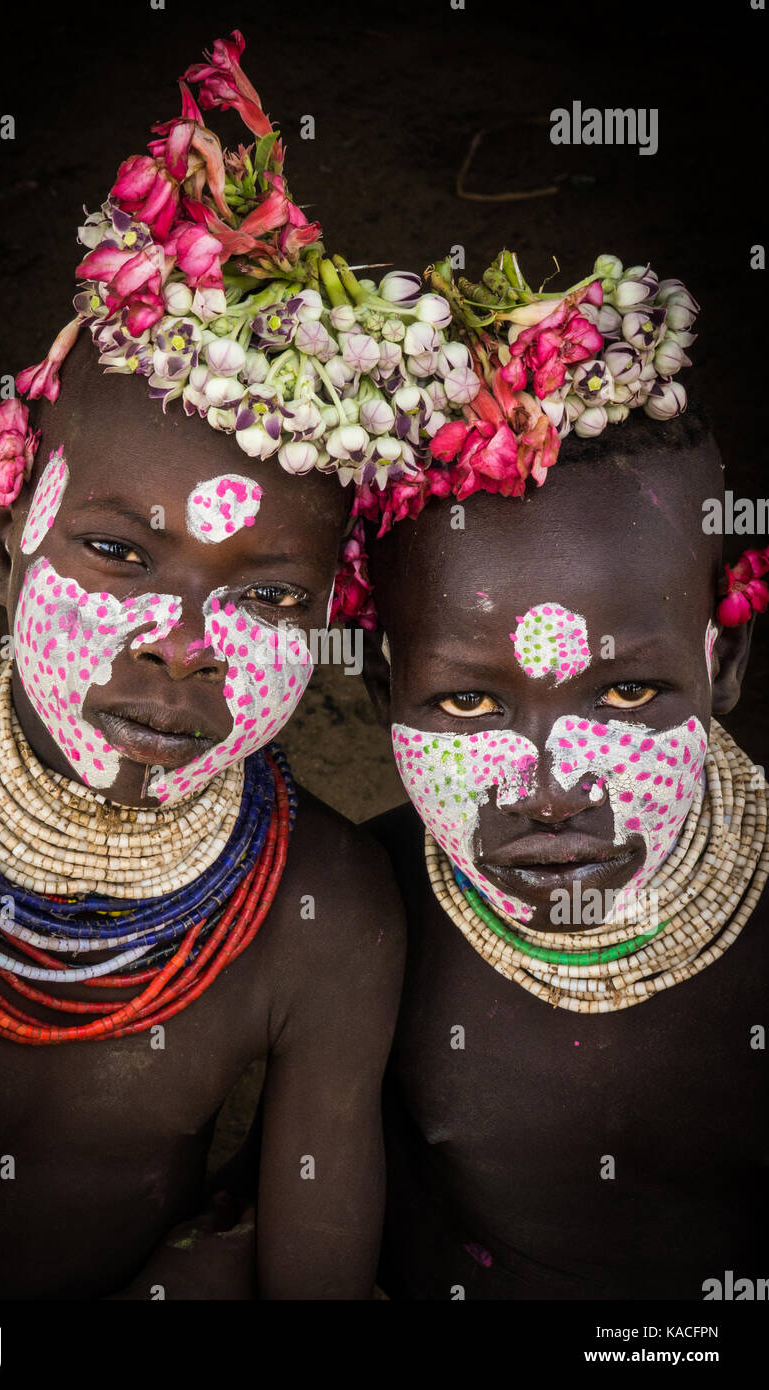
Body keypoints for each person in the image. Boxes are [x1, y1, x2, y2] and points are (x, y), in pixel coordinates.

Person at [0, 32, 408, 1301]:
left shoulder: (325, 912)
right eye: (116, 552)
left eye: (267, 596)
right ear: (4, 542)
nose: (183, 640)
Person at [351, 250, 769, 1298]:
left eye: (626, 695)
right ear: (377, 689)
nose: (548, 785)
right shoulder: (362, 908)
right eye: (467, 703)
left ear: (724, 664)